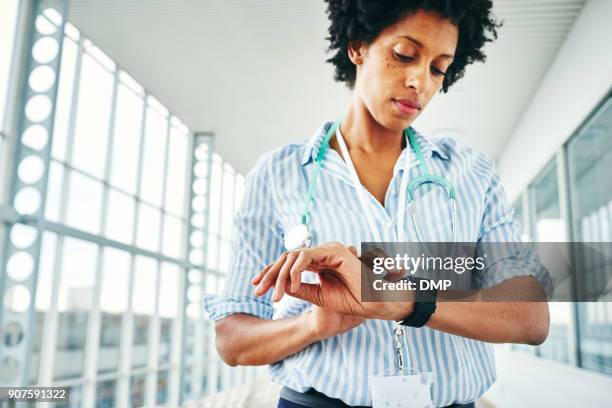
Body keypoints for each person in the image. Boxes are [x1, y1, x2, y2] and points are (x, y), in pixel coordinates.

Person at [203, 1, 550, 407]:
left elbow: (531, 318)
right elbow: (232, 342)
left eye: (439, 68)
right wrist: (316, 324)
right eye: (404, 55)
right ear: (357, 46)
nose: (420, 81)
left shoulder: (471, 174)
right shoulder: (280, 174)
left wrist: (405, 300)